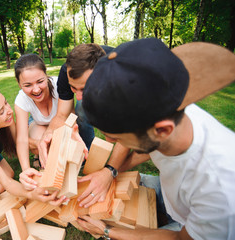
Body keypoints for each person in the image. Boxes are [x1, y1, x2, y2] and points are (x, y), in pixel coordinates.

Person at [78, 38, 235, 239]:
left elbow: (181, 239)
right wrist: (110, 172)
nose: (109, 141)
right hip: (175, 196)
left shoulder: (219, 191)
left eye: (116, 138)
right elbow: (146, 148)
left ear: (161, 131)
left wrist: (107, 231)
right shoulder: (165, 106)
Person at [38, 43, 131, 208]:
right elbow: (61, 115)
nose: (79, 96)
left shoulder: (122, 76)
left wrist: (110, 170)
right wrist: (49, 133)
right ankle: (86, 154)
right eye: (74, 88)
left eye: (85, 88)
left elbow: (131, 129)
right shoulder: (67, 72)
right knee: (81, 109)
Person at [14, 54, 59, 190]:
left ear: (46, 75)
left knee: (56, 146)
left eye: (40, 81)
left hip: (60, 124)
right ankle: (37, 156)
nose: (36, 89)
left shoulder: (59, 86)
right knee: (38, 141)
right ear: (19, 84)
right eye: (27, 85)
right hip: (38, 124)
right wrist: (26, 170)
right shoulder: (21, 100)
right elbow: (22, 139)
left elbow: (70, 117)